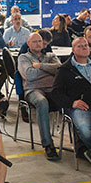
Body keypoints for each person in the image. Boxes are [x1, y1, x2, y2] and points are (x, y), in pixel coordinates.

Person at [51, 37, 91, 170]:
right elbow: (56, 93)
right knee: (85, 129)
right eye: (80, 46)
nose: (84, 47)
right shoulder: (65, 69)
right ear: (73, 50)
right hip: (81, 107)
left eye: (85, 45)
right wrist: (72, 102)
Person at [18, 32, 62, 161]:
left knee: (71, 99)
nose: (38, 44)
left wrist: (40, 66)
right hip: (33, 90)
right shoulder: (23, 58)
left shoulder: (50, 55)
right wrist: (49, 71)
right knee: (42, 102)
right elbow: (29, 75)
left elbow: (60, 70)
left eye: (40, 41)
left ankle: (81, 143)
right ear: (28, 44)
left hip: (53, 89)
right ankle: (48, 144)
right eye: (34, 41)